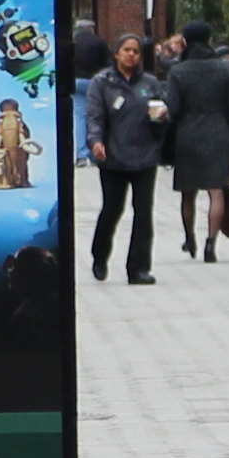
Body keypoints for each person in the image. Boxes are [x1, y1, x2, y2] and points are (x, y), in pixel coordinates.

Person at [83, 31, 168, 284]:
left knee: (143, 212)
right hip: (113, 157)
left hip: (144, 157)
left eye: (136, 51)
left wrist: (162, 117)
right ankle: (100, 256)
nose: (131, 55)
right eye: (127, 50)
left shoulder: (150, 84)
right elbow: (94, 116)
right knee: (112, 209)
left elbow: (162, 116)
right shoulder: (103, 82)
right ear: (117, 53)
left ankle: (138, 267)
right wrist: (96, 142)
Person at [160, 27, 229, 264]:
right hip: (220, 135)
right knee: (217, 191)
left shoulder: (178, 71)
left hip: (188, 136)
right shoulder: (224, 69)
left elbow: (174, 110)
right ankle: (211, 243)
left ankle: (190, 238)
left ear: (185, 42)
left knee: (188, 193)